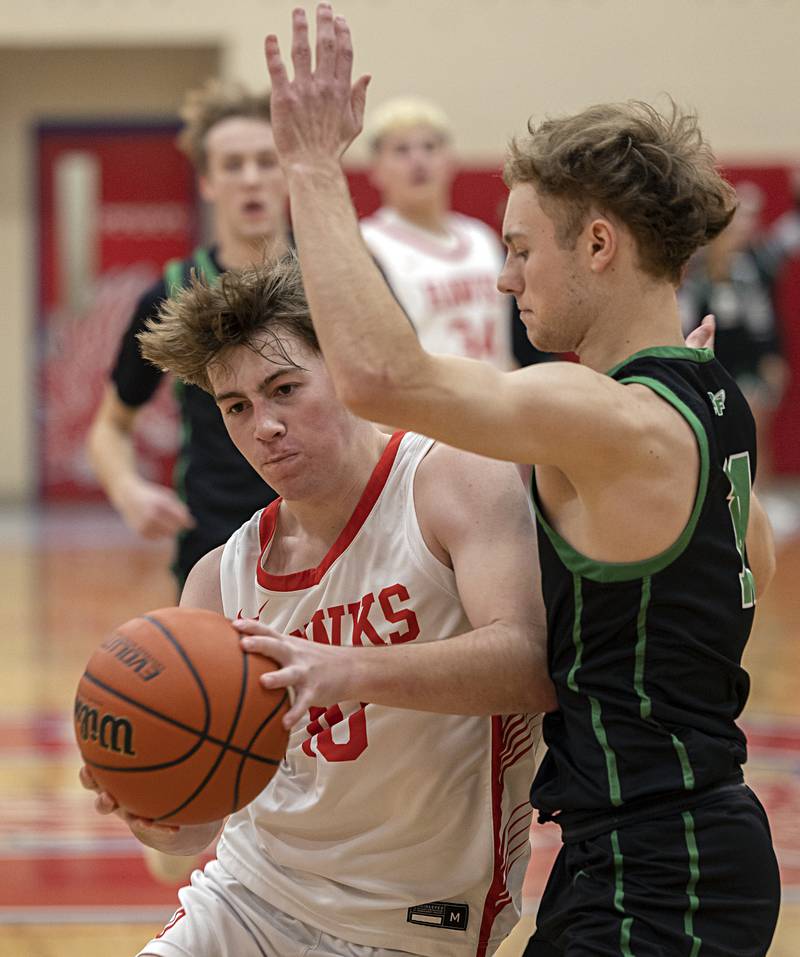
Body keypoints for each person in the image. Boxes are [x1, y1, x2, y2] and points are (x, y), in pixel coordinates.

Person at [257, 7, 780, 955]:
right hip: (649, 848)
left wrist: (310, 167)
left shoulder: (608, 416)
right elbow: (756, 561)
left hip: (662, 865)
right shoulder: (707, 398)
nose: (504, 279)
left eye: (521, 249)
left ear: (598, 246)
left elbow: (381, 379)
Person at [80, 254, 554, 957]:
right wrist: (147, 806)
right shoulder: (220, 575)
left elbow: (529, 664)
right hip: (248, 895)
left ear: (346, 372)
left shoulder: (448, 477)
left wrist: (342, 668)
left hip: (412, 920)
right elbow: (195, 834)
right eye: (236, 406)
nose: (263, 425)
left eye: (285, 389)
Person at [86, 78, 289, 590]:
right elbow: (110, 426)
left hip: (340, 536)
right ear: (207, 182)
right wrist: (128, 489)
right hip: (216, 543)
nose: (251, 179)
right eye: (232, 165)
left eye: (266, 161)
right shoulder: (172, 293)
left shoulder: (337, 277)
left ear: (288, 170)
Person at [680, 174, 800, 533]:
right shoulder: (699, 272)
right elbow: (688, 318)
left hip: (747, 364)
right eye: (734, 226)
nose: (742, 233)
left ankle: (759, 500)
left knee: (755, 426)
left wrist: (770, 357)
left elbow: (762, 321)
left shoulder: (753, 266)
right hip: (714, 364)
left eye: (749, 222)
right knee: (718, 435)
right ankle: (723, 502)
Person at [360, 96, 516, 369]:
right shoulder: (367, 243)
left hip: (495, 399)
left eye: (429, 147)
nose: (418, 160)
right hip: (423, 403)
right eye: (401, 150)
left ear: (451, 159)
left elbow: (513, 345)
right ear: (376, 169)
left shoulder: (482, 238)